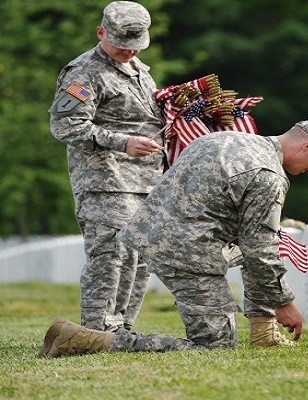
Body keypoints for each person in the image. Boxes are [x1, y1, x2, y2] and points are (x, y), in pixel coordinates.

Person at [37, 118, 308, 358]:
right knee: (217, 345)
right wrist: (284, 302)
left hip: (151, 234)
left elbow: (253, 245)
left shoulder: (224, 138)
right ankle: (85, 339)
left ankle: (263, 333)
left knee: (262, 247)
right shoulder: (268, 175)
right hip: (189, 253)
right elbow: (259, 249)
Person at [48, 1, 164, 332]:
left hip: (146, 180)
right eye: (121, 45)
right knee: (111, 254)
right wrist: (121, 141)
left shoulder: (139, 69)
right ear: (101, 33)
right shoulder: (83, 72)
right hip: (104, 179)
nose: (129, 51)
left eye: (135, 45)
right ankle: (97, 331)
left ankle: (122, 328)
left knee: (141, 257)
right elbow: (65, 126)